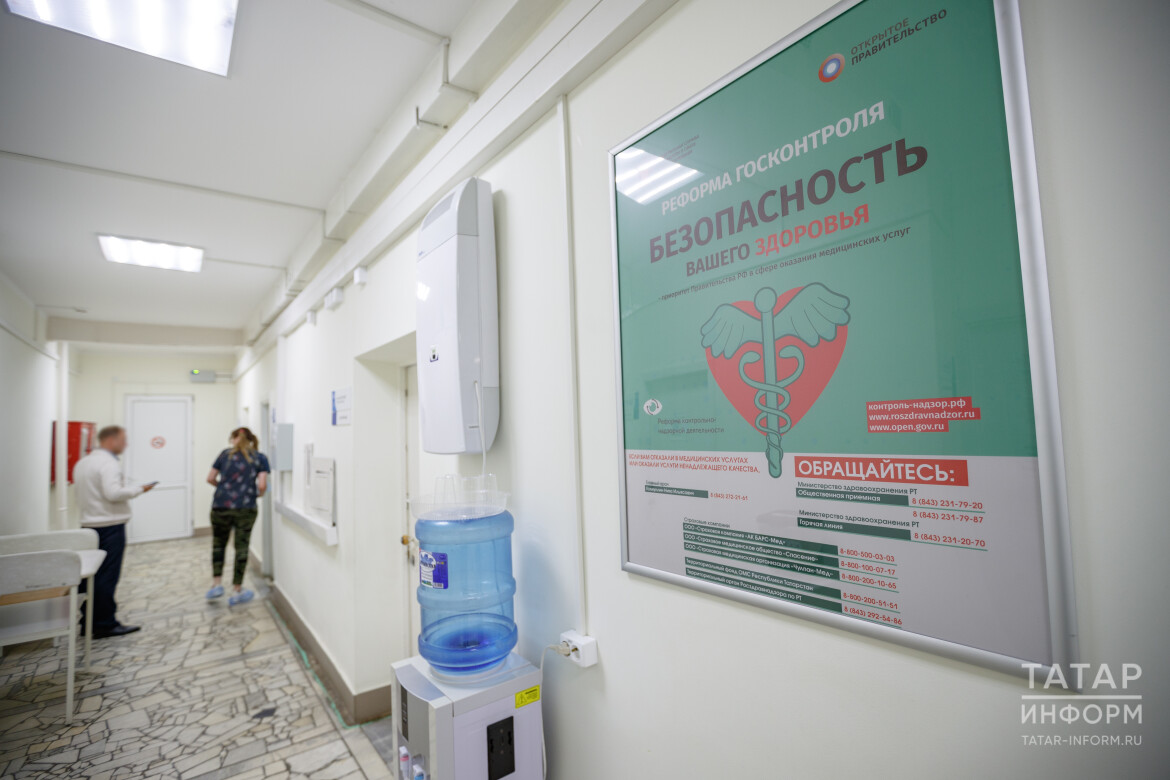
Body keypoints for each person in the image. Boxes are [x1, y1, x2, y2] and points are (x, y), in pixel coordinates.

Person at [74, 425, 154, 638]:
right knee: (107, 576)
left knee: (91, 576)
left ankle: (88, 620)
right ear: (111, 440)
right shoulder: (108, 464)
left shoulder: (83, 462)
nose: (126, 444)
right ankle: (104, 623)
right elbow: (113, 493)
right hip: (109, 526)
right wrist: (140, 489)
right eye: (123, 440)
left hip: (89, 526)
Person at [205, 427, 270, 605]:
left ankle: (216, 585)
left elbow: (210, 478)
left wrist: (224, 488)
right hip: (245, 507)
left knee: (218, 545)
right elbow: (262, 486)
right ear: (251, 440)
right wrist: (256, 495)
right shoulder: (260, 458)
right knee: (241, 547)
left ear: (233, 439)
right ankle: (237, 590)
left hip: (220, 506)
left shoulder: (224, 455)